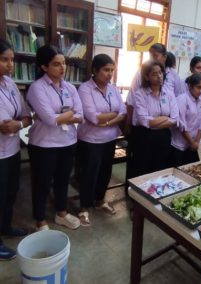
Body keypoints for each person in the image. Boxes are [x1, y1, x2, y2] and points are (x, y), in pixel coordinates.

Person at [27, 45, 83, 231]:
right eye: (56, 64)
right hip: (44, 145)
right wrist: (69, 113)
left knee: (62, 180)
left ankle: (61, 213)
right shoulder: (37, 88)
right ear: (44, 67)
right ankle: (40, 220)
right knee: (42, 183)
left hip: (67, 142)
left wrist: (63, 116)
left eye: (64, 63)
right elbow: (51, 120)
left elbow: (81, 115)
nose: (62, 68)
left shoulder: (69, 87)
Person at [76, 54, 126, 226]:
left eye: (112, 70)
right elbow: (92, 117)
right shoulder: (85, 89)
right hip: (90, 139)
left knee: (105, 172)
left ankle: (99, 201)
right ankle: (84, 207)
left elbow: (123, 112)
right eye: (106, 70)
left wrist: (109, 121)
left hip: (110, 137)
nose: (109, 74)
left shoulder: (113, 89)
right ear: (95, 70)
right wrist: (113, 115)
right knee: (88, 173)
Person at [0, 39, 31, 260]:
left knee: (10, 193)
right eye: (4, 60)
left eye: (11, 60)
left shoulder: (9, 83)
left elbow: (25, 114)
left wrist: (19, 123)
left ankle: (5, 227)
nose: (10, 65)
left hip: (12, 150)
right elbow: (4, 126)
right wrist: (18, 123)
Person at [130, 60, 178, 177]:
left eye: (160, 73)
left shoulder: (169, 93)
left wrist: (155, 121)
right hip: (144, 137)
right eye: (154, 74)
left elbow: (175, 119)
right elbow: (144, 121)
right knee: (142, 169)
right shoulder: (140, 94)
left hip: (164, 137)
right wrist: (165, 118)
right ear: (146, 76)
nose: (159, 76)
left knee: (160, 168)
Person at [171, 74, 201, 166]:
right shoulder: (181, 99)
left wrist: (196, 142)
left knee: (191, 172)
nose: (200, 91)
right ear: (190, 86)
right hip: (179, 144)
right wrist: (191, 142)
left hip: (193, 145)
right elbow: (181, 124)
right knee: (178, 172)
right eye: (198, 87)